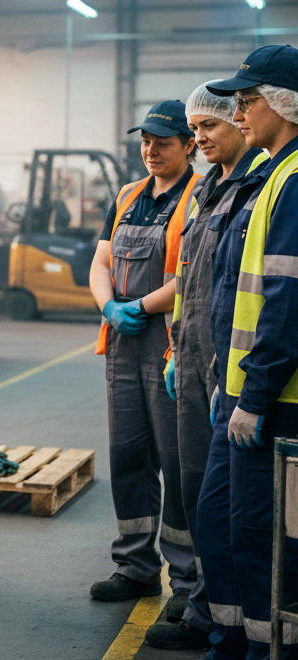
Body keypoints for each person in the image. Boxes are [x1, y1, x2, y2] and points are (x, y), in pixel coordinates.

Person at [145, 83, 269, 651]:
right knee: (194, 486)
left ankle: (213, 617)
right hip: (189, 357)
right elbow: (192, 279)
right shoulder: (209, 190)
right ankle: (206, 608)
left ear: (240, 125)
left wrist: (231, 375)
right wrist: (176, 349)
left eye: (209, 127)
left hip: (225, 368)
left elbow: (244, 292)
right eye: (194, 129)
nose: (199, 139)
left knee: (220, 504)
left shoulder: (255, 188)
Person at [198, 45, 298, 660]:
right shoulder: (273, 176)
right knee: (223, 522)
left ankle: (266, 649)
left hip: (275, 401)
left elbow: (287, 304)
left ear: (284, 103)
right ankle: (232, 638)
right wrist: (224, 383)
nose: (237, 112)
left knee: (261, 539)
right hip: (240, 390)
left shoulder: (292, 182)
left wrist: (255, 395)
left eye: (246, 100)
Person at [88, 100, 202, 606]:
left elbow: (194, 276)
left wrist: (139, 304)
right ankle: (134, 564)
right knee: (128, 454)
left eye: (163, 142)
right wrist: (109, 306)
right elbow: (100, 260)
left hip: (170, 342)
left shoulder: (203, 195)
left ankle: (186, 580)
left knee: (177, 461)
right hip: (124, 341)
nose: (151, 150)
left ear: (189, 145)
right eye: (145, 141)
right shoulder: (128, 194)